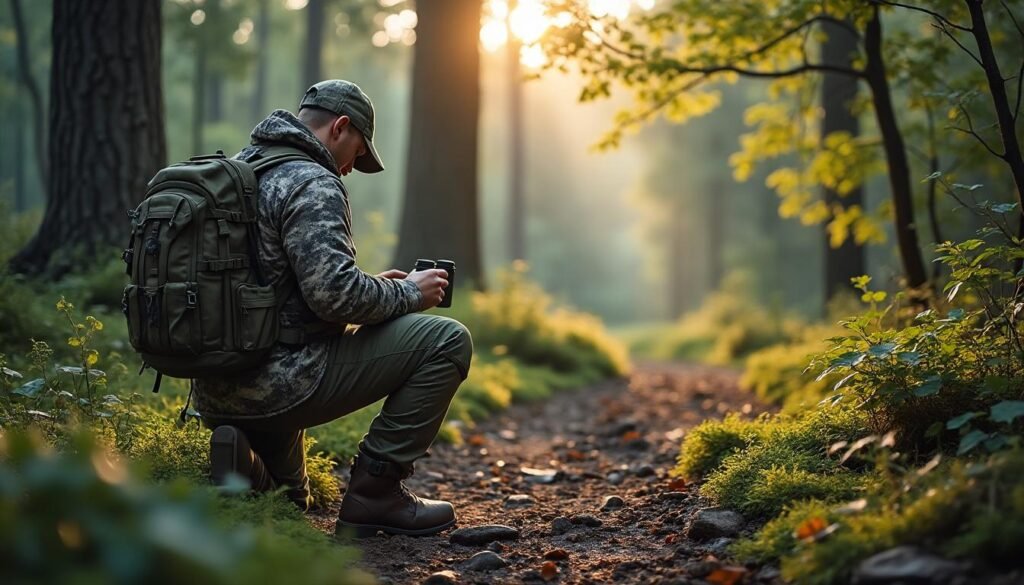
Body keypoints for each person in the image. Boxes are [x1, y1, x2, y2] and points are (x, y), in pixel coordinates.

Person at [194, 80, 473, 538]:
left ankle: (245, 459)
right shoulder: (312, 180)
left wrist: (376, 287)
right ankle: (376, 495)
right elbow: (335, 297)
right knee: (448, 340)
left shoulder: (240, 170)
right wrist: (410, 293)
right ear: (340, 127)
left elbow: (284, 285)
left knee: (290, 500)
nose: (348, 170)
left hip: (217, 384)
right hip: (284, 384)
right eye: (356, 155)